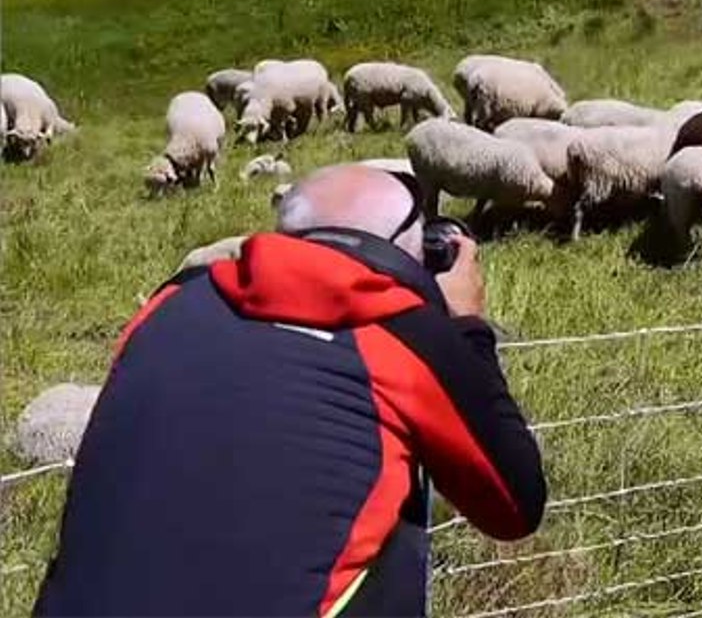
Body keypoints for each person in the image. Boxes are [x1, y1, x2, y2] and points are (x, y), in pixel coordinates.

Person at [35, 164, 546, 616]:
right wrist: (467, 328)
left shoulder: (170, 304)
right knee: (403, 512)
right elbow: (514, 508)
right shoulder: (406, 336)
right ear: (408, 257)